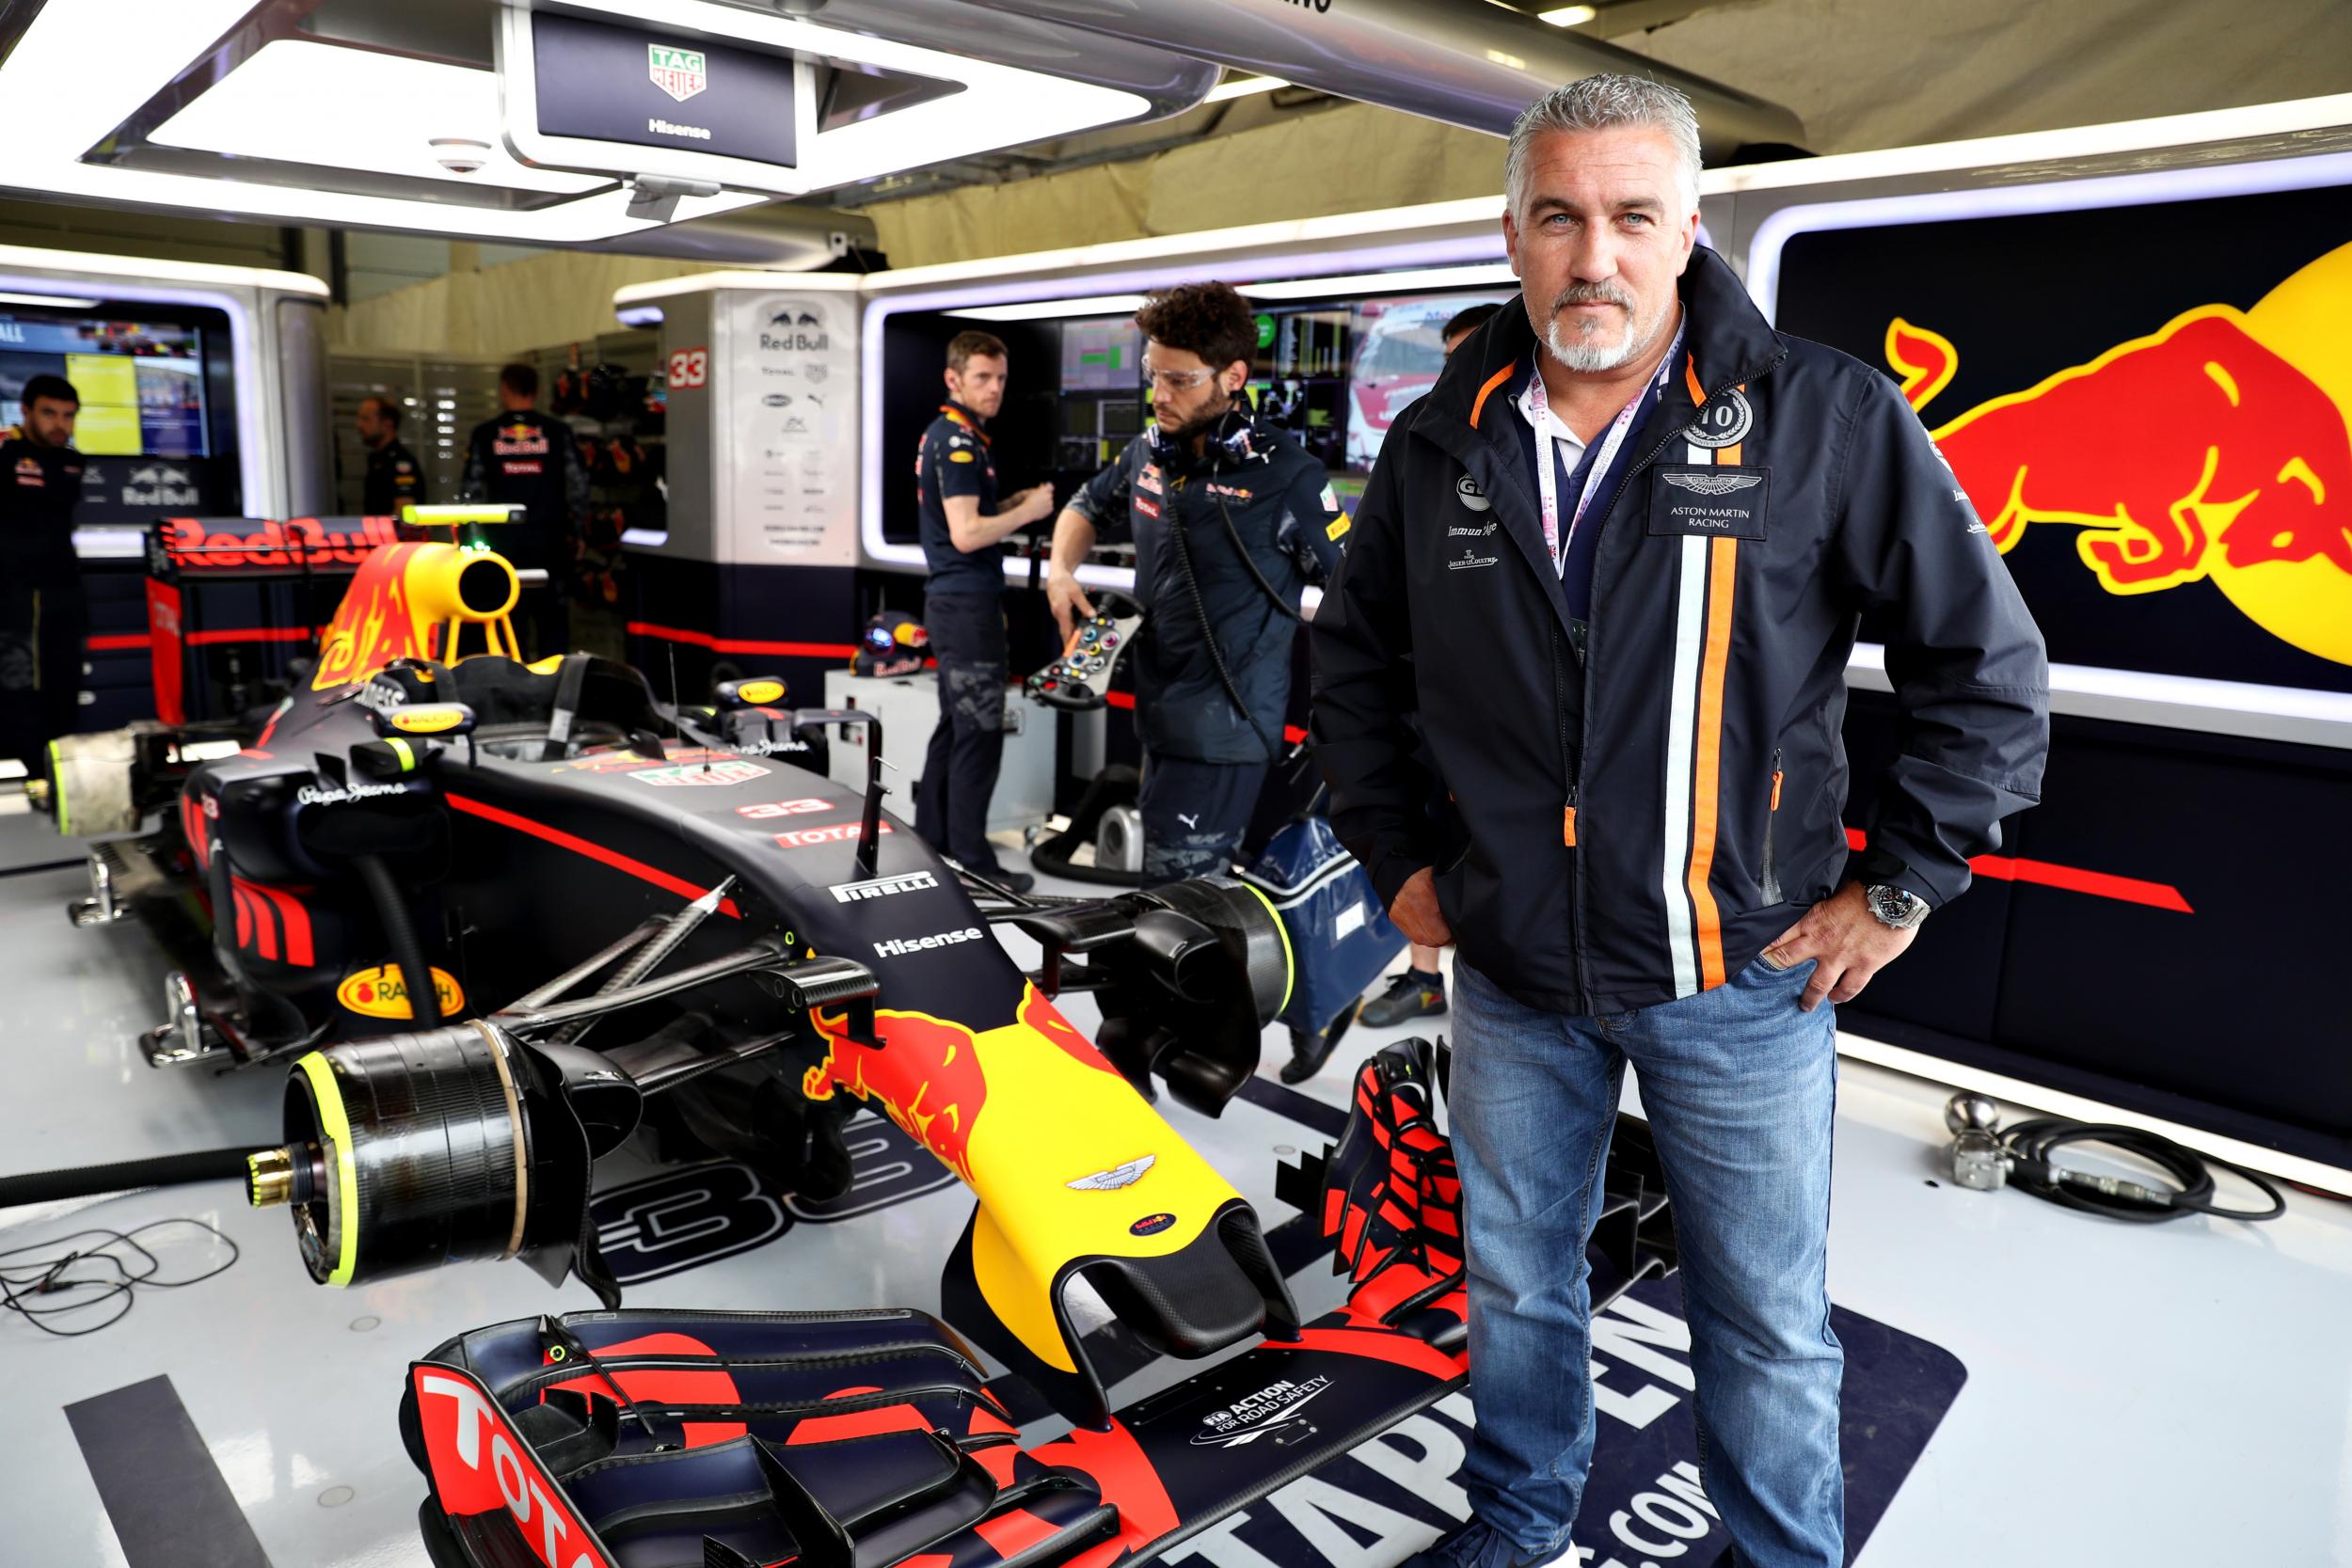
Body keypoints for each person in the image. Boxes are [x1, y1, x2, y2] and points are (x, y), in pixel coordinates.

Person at [1311, 75, 2047, 1568]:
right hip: (1512, 974)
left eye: (1633, 217)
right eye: (1561, 217)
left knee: (1764, 1323)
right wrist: (1395, 859)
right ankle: (1515, 1526)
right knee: (1517, 1286)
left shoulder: (1821, 415)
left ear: (1688, 227)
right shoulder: (1442, 440)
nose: (1598, 257)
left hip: (1740, 972)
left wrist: (1897, 890)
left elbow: (1988, 666)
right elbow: (1353, 664)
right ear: (1512, 235)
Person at [1046, 282, 1348, 887]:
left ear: (1233, 376)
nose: (1159, 395)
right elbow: (1084, 506)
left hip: (1226, 734)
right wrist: (1059, 572)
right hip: (1161, 719)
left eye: (1179, 381)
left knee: (1180, 912)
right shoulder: (1150, 453)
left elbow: (1359, 591)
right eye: (1152, 375)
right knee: (1177, 907)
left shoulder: (1290, 477)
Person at [1354, 299, 1503, 1032]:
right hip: (1422, 693)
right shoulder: (1419, 449)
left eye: (1471, 354)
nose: (1458, 374)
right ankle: (1422, 974)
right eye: (1448, 360)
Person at [912, 329, 1057, 895]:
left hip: (954, 603)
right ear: (954, 379)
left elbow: (971, 516)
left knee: (954, 728)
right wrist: (1028, 514)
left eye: (1000, 378)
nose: (994, 388)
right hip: (966, 606)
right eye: (982, 378)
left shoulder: (953, 435)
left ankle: (936, 847)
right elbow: (967, 533)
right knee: (978, 733)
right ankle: (974, 866)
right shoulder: (959, 442)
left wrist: (1014, 504)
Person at [461, 362, 587, 657]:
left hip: (502, 545)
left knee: (507, 625)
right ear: (537, 391)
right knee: (553, 626)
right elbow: (578, 486)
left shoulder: (485, 434)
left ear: (504, 390)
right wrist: (579, 531)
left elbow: (472, 492)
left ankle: (513, 692)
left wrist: (471, 540)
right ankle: (553, 690)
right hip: (550, 543)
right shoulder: (558, 432)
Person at [0, 373, 88, 774]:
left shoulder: (71, 460)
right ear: (26, 411)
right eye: (49, 413)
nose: (60, 424)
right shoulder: (5, 452)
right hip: (16, 592)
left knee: (65, 679)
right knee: (22, 683)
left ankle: (64, 769)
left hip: (65, 587)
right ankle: (33, 770)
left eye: (68, 416)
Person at [356, 394, 427, 517]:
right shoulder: (377, 459)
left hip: (392, 535)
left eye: (366, 419)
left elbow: (404, 510)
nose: (359, 425)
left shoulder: (401, 461)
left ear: (387, 423)